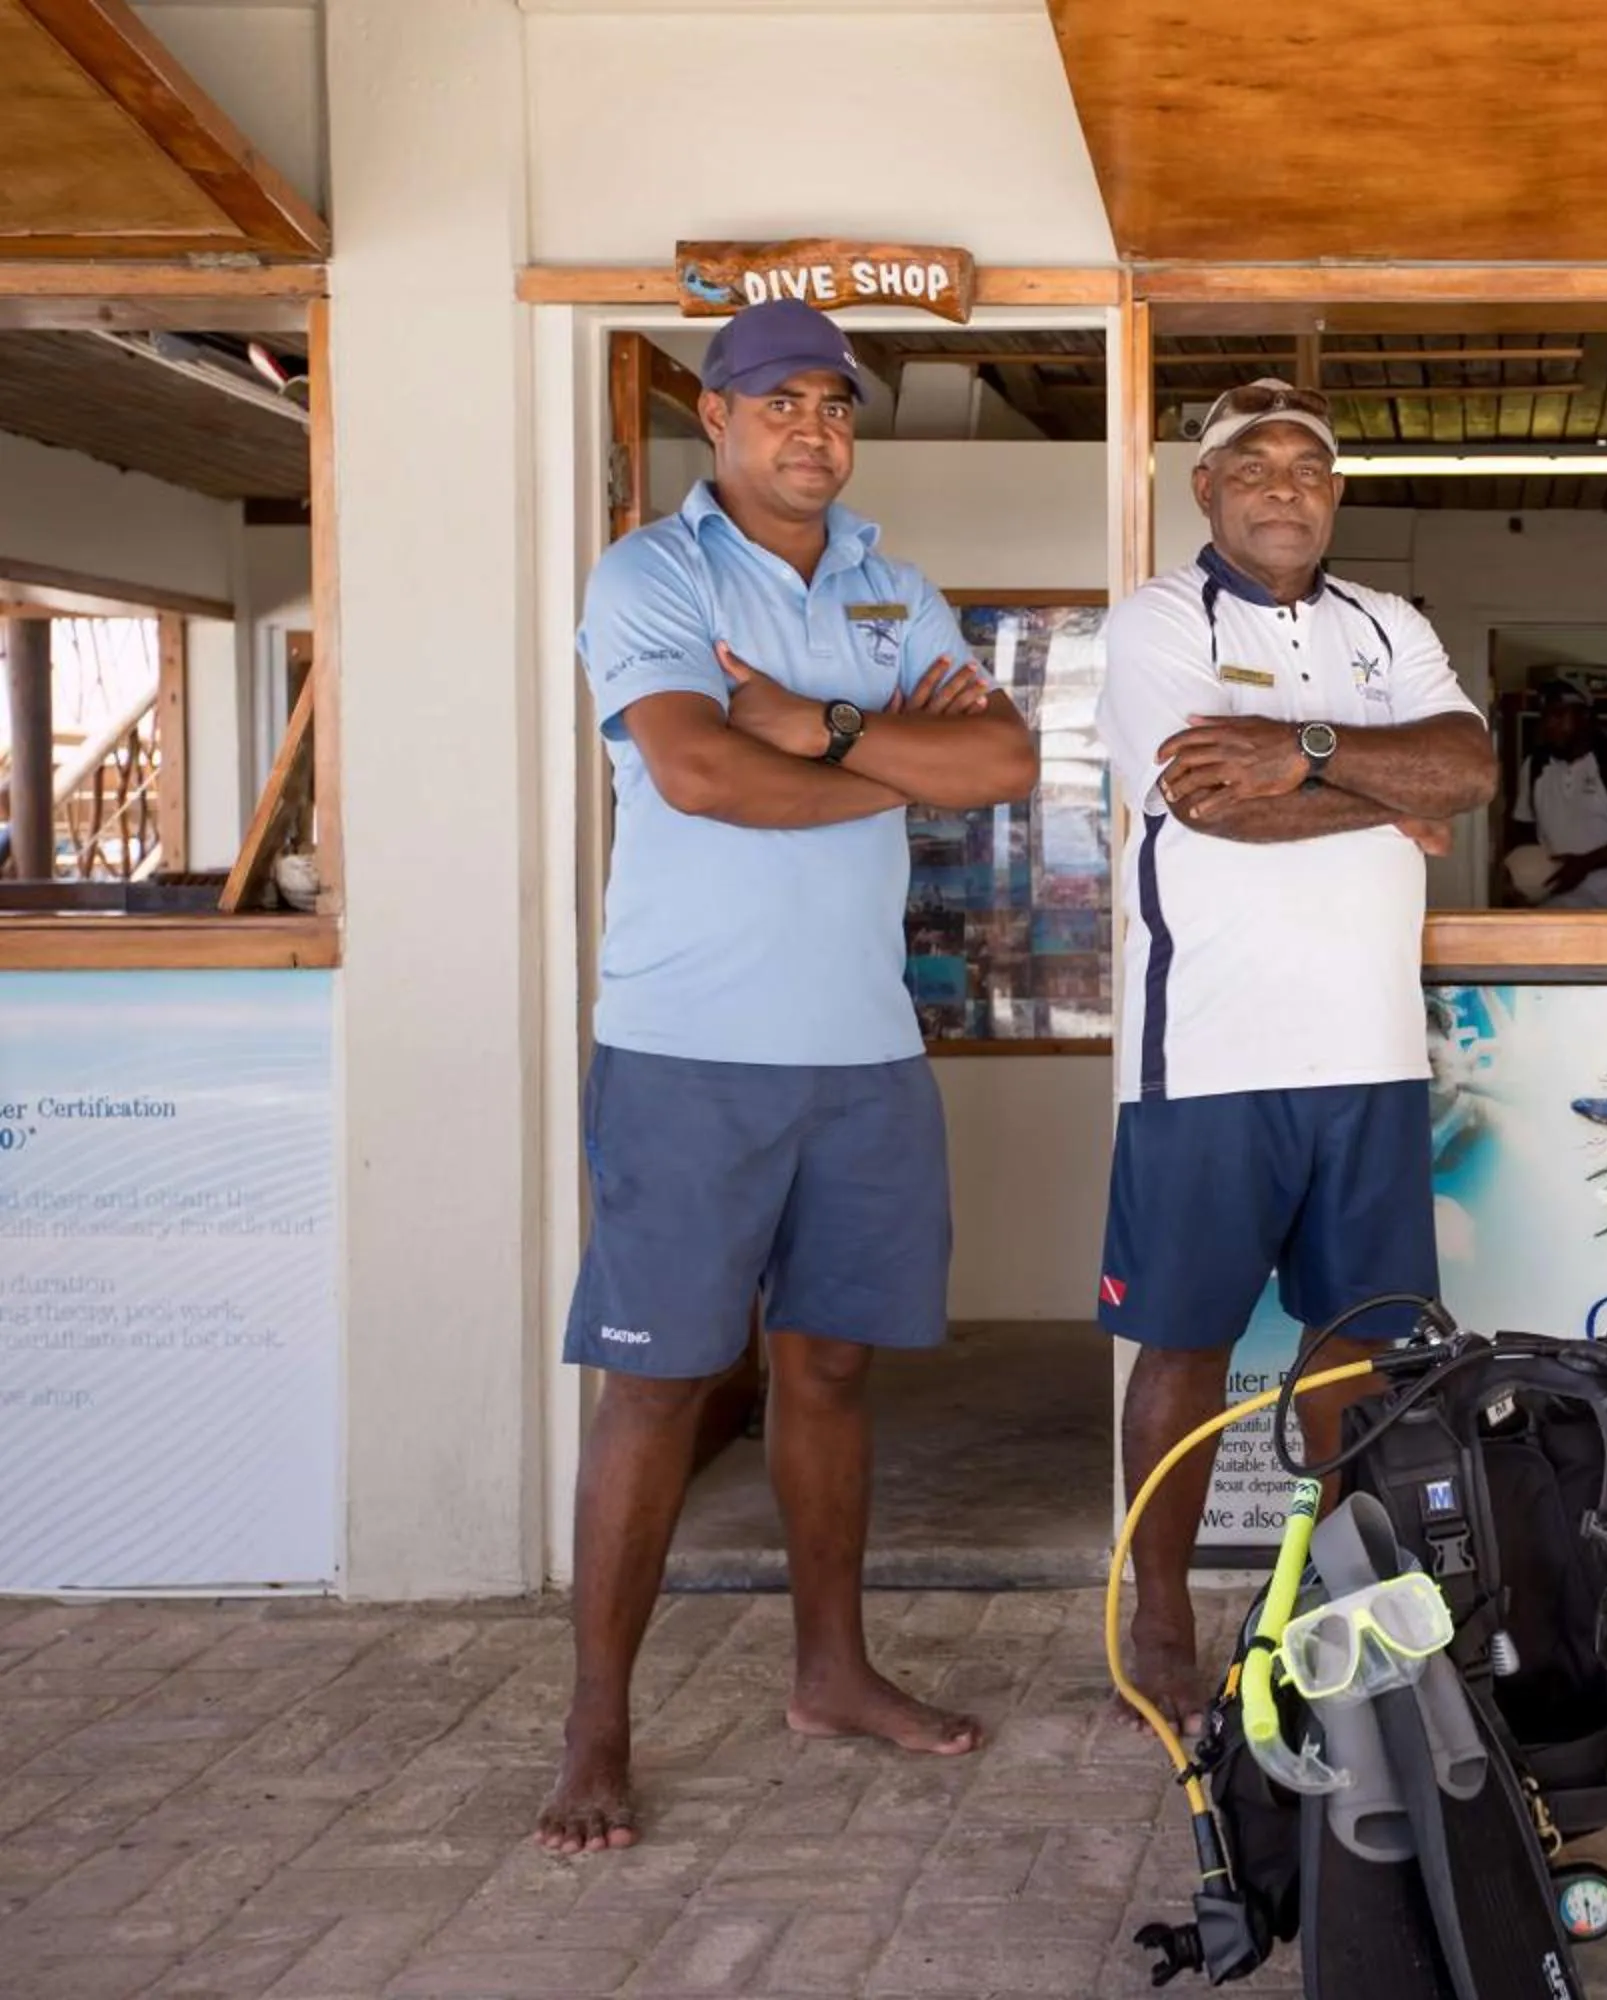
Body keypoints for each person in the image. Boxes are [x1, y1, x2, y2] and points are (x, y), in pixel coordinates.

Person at [537, 299, 1038, 1854]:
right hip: (689, 1050)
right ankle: (596, 1730)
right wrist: (883, 754)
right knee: (659, 1384)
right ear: (716, 414)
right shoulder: (654, 573)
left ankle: (834, 1674)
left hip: (865, 1053)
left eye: (834, 403)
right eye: (780, 403)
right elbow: (694, 771)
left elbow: (1004, 768)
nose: (812, 429)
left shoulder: (894, 586)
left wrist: (812, 728)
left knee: (829, 1370)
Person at [1094, 379, 1498, 1729]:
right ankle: (1158, 1614)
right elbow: (1211, 808)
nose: (1285, 484)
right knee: (1184, 1344)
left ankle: (1342, 1597)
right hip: (1205, 1053)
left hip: (1369, 1050)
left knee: (1359, 1350)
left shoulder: (1392, 624)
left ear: (1336, 493)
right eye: (1251, 464)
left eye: (1310, 466)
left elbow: (1470, 769)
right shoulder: (1159, 620)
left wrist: (1308, 751)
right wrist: (1386, 796)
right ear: (1204, 489)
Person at [1509, 678, 1607, 907]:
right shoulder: (1534, 766)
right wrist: (1522, 874)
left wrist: (1585, 864)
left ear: (1585, 716)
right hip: (1552, 911)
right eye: (1545, 716)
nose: (1549, 725)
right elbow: (1523, 829)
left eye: (1559, 715)